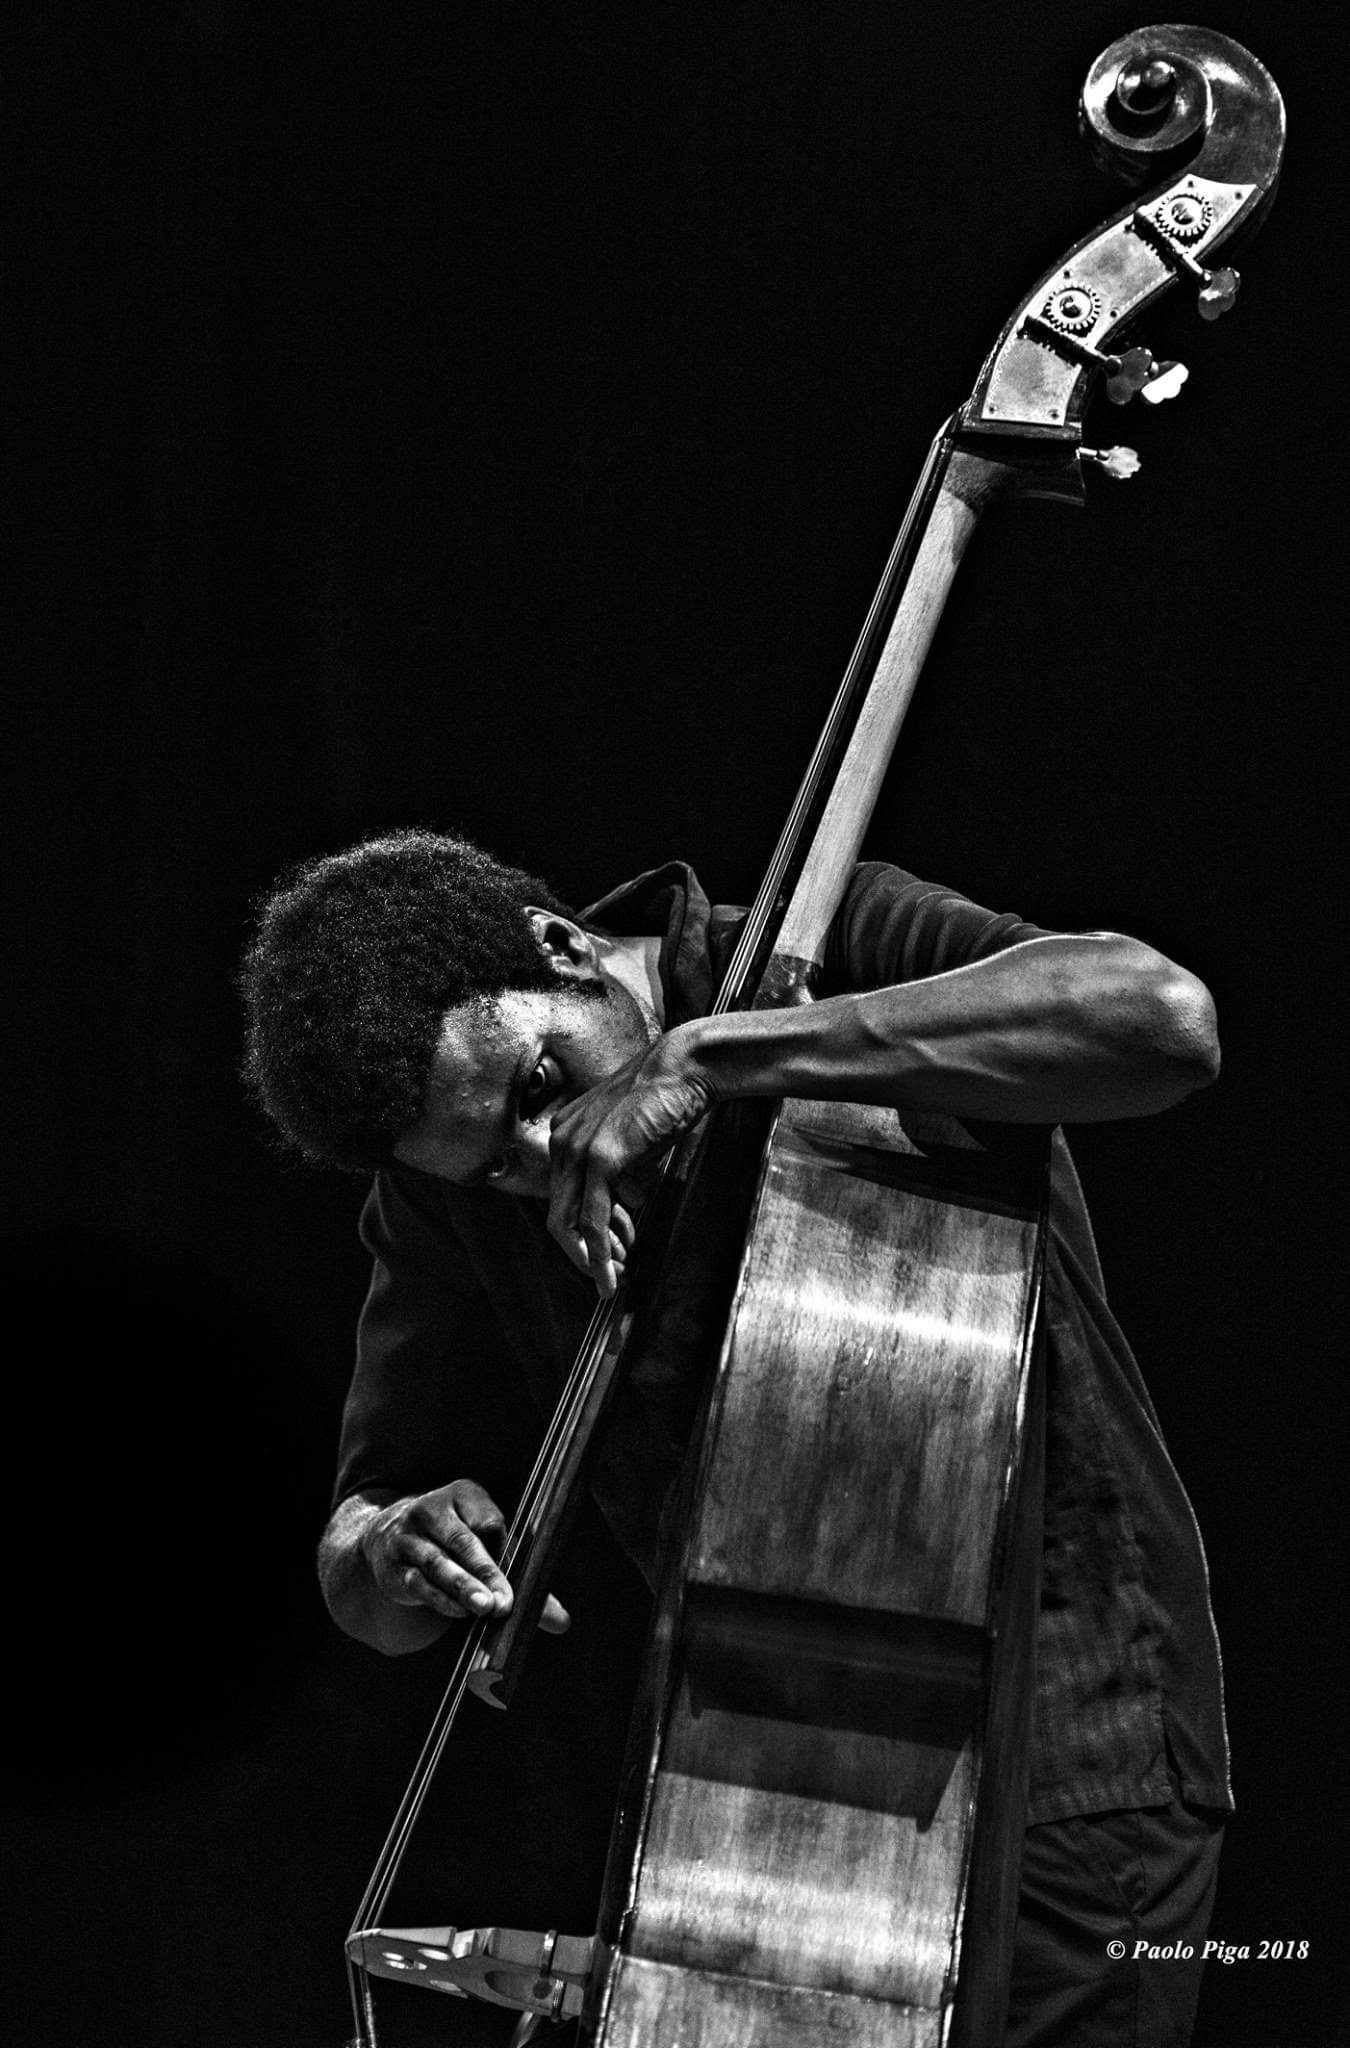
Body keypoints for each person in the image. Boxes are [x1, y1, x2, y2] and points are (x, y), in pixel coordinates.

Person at [241, 827, 1233, 2046]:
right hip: (739, 1815)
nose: (544, 1159)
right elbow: (360, 1553)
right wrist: (393, 1542)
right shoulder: (442, 1191)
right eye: (497, 1164)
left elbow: (1161, 1021)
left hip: (1064, 1755)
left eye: (544, 1091)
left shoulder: (833, 936)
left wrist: (717, 1054)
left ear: (563, 946)